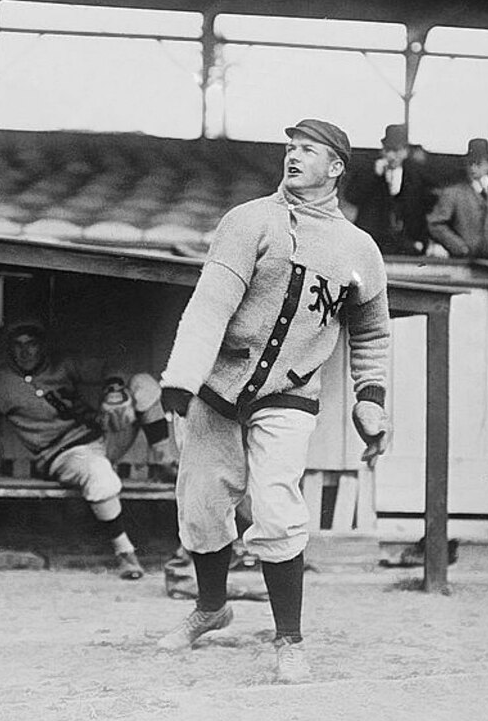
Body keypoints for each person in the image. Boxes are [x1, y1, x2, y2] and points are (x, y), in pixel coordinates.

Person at [155, 118, 392, 683]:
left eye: (308, 151)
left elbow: (373, 333)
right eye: (290, 148)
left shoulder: (359, 248)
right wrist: (181, 377)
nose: (293, 157)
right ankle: (211, 609)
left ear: (335, 167)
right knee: (203, 502)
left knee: (277, 506)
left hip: (289, 391)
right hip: (220, 384)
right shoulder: (248, 220)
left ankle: (289, 640)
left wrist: (371, 396)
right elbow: (211, 303)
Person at [0, 315, 177, 580]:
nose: (24, 351)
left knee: (144, 383)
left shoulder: (62, 365)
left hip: (102, 436)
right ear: (9, 347)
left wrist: (113, 387)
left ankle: (164, 461)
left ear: (42, 345)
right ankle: (125, 554)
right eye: (17, 344)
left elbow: (110, 366)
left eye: (31, 343)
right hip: (63, 455)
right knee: (99, 472)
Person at [343, 123, 435, 256]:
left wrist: (423, 241)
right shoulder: (368, 170)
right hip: (372, 243)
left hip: (407, 244)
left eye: (396, 150)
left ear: (405, 152)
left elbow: (426, 209)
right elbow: (351, 197)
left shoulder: (416, 175)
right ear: (382, 150)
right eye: (388, 150)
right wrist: (373, 175)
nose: (391, 156)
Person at [426, 137, 488, 259]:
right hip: (463, 262)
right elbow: (435, 224)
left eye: (478, 163)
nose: (473, 168)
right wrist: (457, 246)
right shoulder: (452, 193)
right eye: (470, 163)